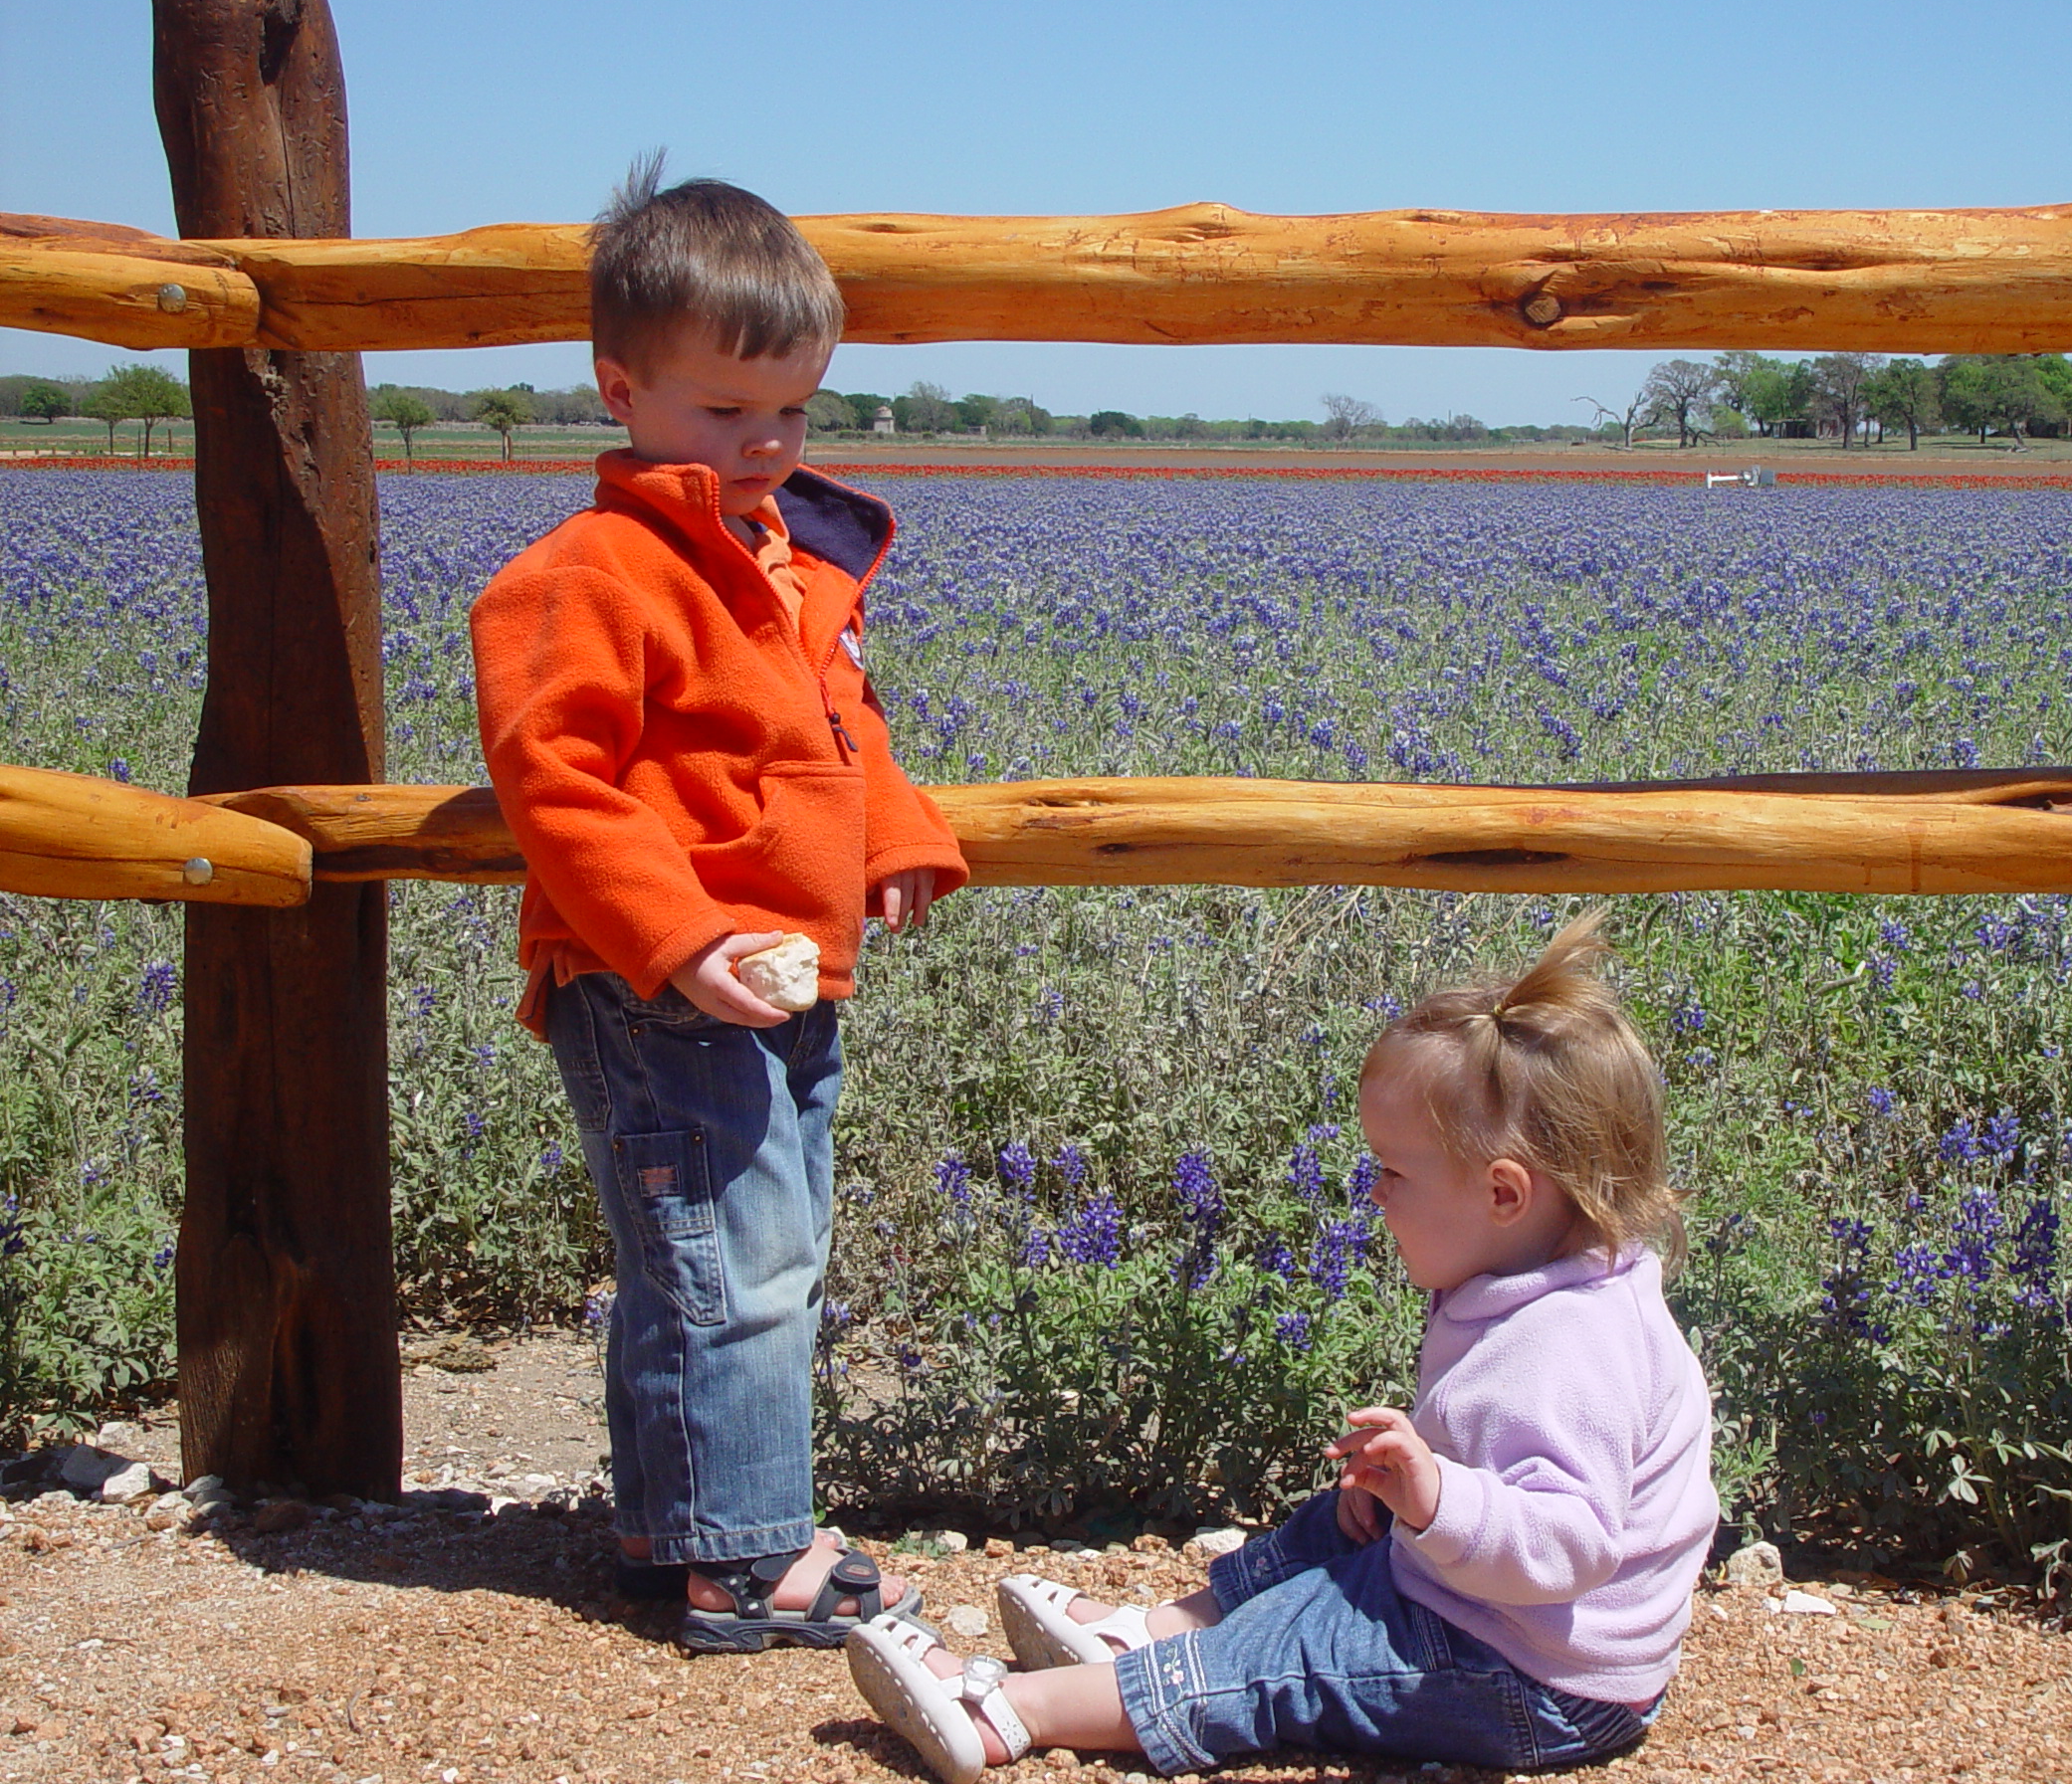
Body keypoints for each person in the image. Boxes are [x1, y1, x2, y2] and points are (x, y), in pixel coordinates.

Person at [844, 912, 1718, 1779]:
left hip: (1532, 1679)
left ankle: (1005, 1712)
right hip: (1502, 1620)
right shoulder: (1538, 1272)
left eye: (1393, 1172)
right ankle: (1152, 1634)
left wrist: (1437, 1496)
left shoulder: (1571, 1342)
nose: (1372, 1195)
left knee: (1290, 1646)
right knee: (1334, 1529)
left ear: (1503, 1194)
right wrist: (1412, 1497)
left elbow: (1571, 1544)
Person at [469, 160, 967, 1652]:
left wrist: (896, 834)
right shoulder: (589, 573)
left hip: (788, 970)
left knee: (734, 1253)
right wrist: (677, 945)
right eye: (721, 412)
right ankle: (748, 1559)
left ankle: (671, 1533)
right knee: (735, 1263)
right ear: (619, 388)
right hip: (659, 982)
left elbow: (839, 726)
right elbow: (555, 783)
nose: (762, 443)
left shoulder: (784, 562)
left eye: (791, 414)